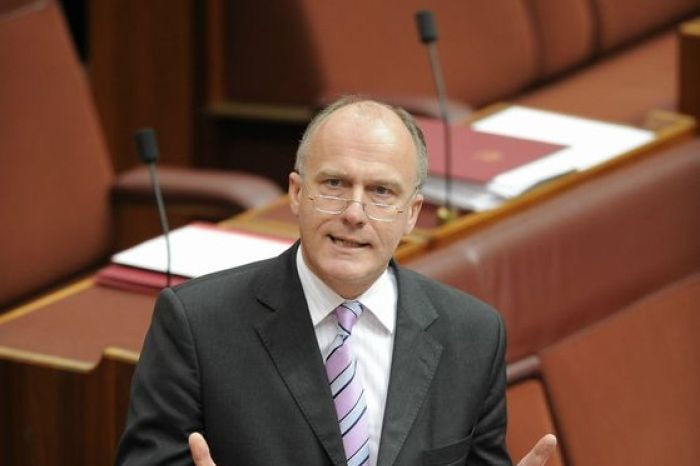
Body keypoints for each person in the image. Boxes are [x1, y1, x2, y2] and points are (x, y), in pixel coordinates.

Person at [114, 97, 556, 465]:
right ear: (296, 192)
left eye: (381, 192)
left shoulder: (473, 336)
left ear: (412, 214)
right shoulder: (197, 326)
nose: (354, 213)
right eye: (335, 183)